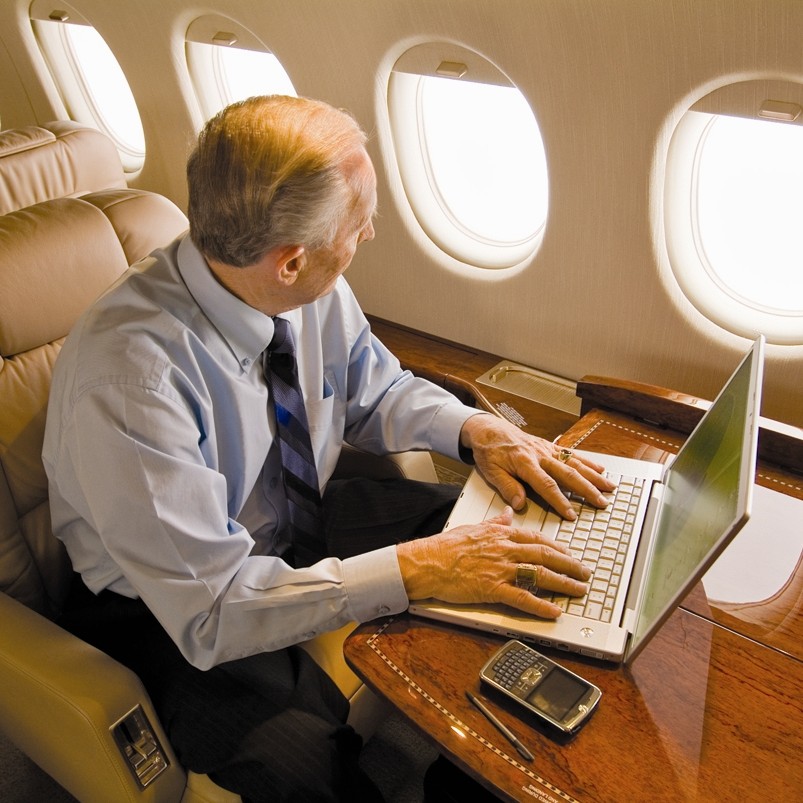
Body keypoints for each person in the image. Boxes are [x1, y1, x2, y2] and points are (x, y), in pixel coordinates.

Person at [42, 95, 615, 802]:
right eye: (359, 219)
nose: (370, 232)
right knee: (311, 766)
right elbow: (212, 609)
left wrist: (474, 430)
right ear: (289, 261)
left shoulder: (305, 284)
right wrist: (414, 569)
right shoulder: (129, 380)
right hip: (166, 600)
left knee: (519, 542)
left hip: (297, 515)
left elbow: (373, 391)